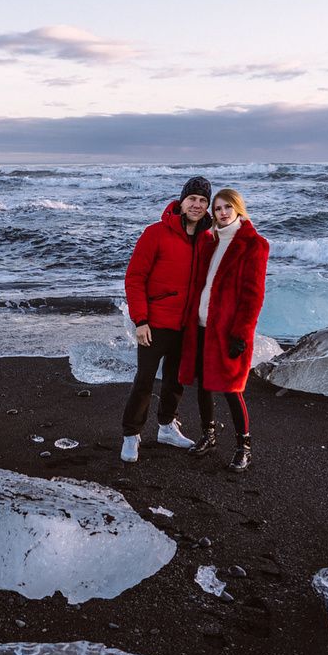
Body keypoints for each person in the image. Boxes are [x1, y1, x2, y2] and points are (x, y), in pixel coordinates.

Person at [120, 177, 214, 463]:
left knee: (176, 380)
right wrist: (141, 320)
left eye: (202, 201)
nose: (196, 205)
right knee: (144, 381)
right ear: (181, 202)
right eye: (192, 199)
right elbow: (135, 278)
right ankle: (130, 434)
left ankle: (166, 427)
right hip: (155, 322)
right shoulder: (155, 233)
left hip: (186, 326)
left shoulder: (207, 239)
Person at [179, 188, 268, 472]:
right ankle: (209, 435)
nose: (223, 213)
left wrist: (241, 334)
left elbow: (253, 296)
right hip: (203, 326)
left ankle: (244, 447)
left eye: (228, 207)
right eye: (217, 209)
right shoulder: (211, 242)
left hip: (228, 332)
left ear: (238, 209)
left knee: (232, 389)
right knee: (204, 385)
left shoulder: (254, 244)